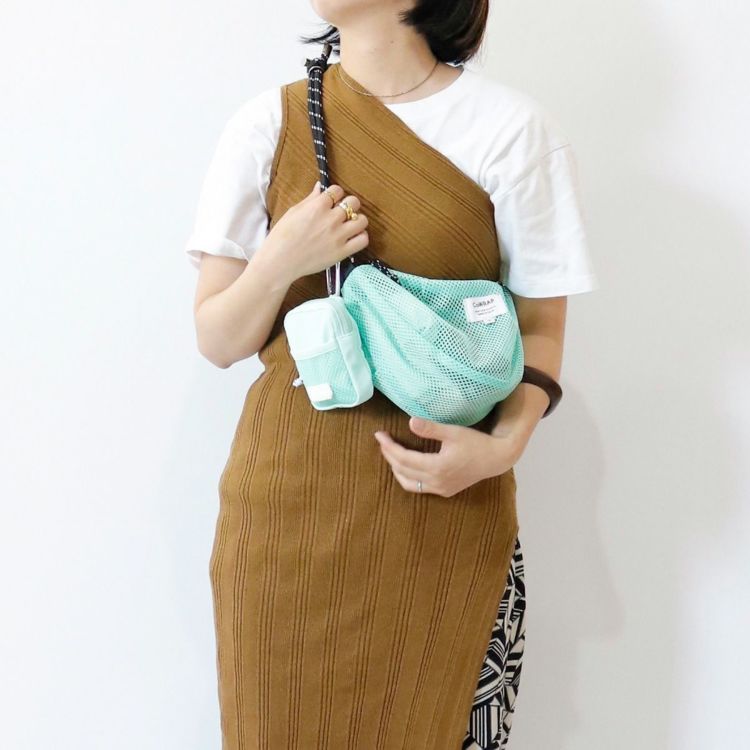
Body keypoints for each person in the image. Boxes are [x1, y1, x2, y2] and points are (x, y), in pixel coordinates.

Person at [185, 2, 599, 748]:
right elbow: (217, 339)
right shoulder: (267, 125)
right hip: (286, 514)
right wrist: (283, 258)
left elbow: (541, 326)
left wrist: (502, 447)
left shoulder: (511, 130)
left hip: (445, 504)